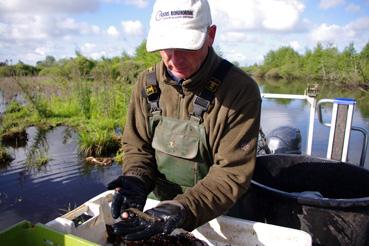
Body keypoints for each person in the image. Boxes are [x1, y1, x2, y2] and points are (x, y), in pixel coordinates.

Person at [107, 0, 261, 241]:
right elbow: (137, 147)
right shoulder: (146, 83)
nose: (174, 59)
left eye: (186, 46)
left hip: (218, 211)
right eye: (166, 47)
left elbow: (231, 172)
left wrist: (182, 209)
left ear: (210, 35)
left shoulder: (240, 90)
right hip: (157, 208)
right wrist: (135, 180)